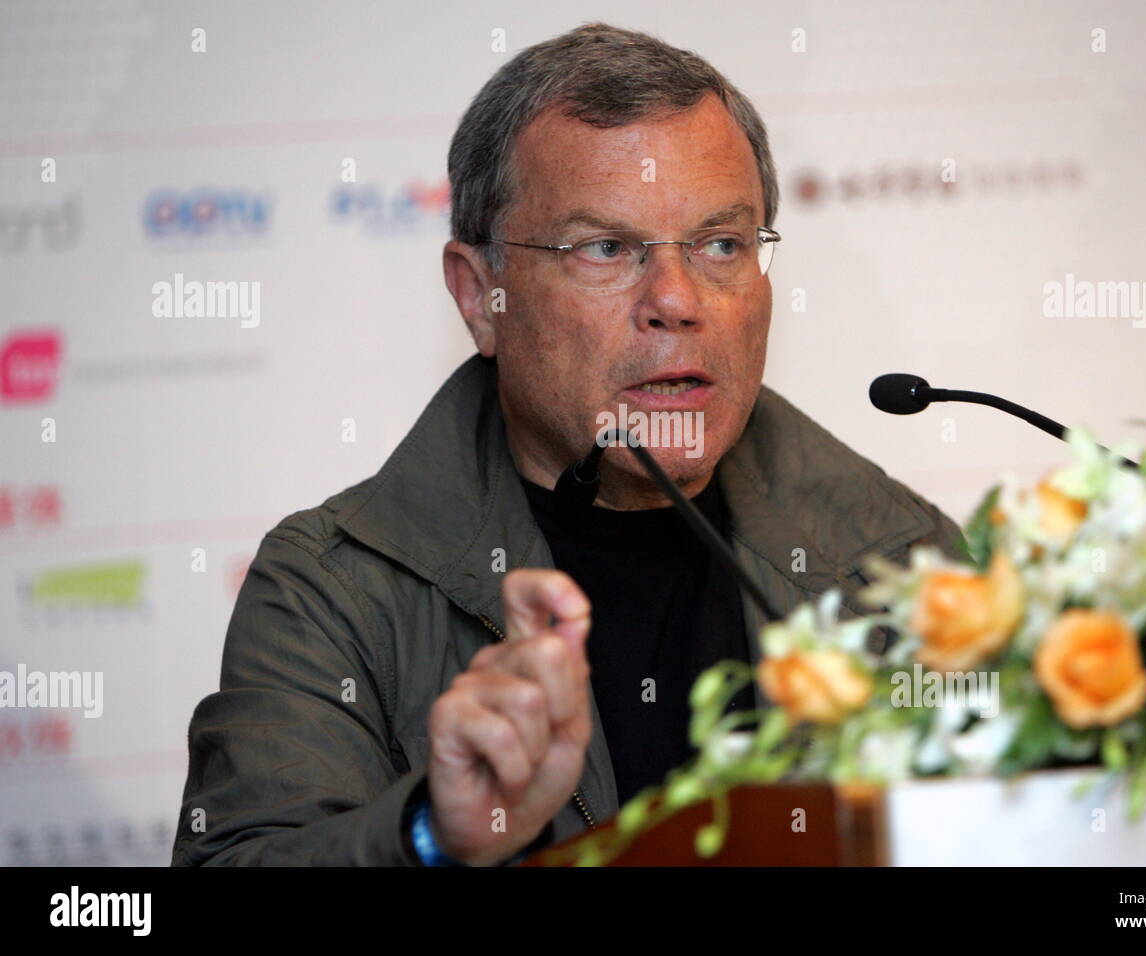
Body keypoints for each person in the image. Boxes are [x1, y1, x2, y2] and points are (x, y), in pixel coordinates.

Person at [172, 22, 964, 868]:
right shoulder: (334, 589)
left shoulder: (899, 556)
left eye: (720, 244)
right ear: (481, 298)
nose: (676, 299)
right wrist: (431, 834)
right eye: (606, 248)